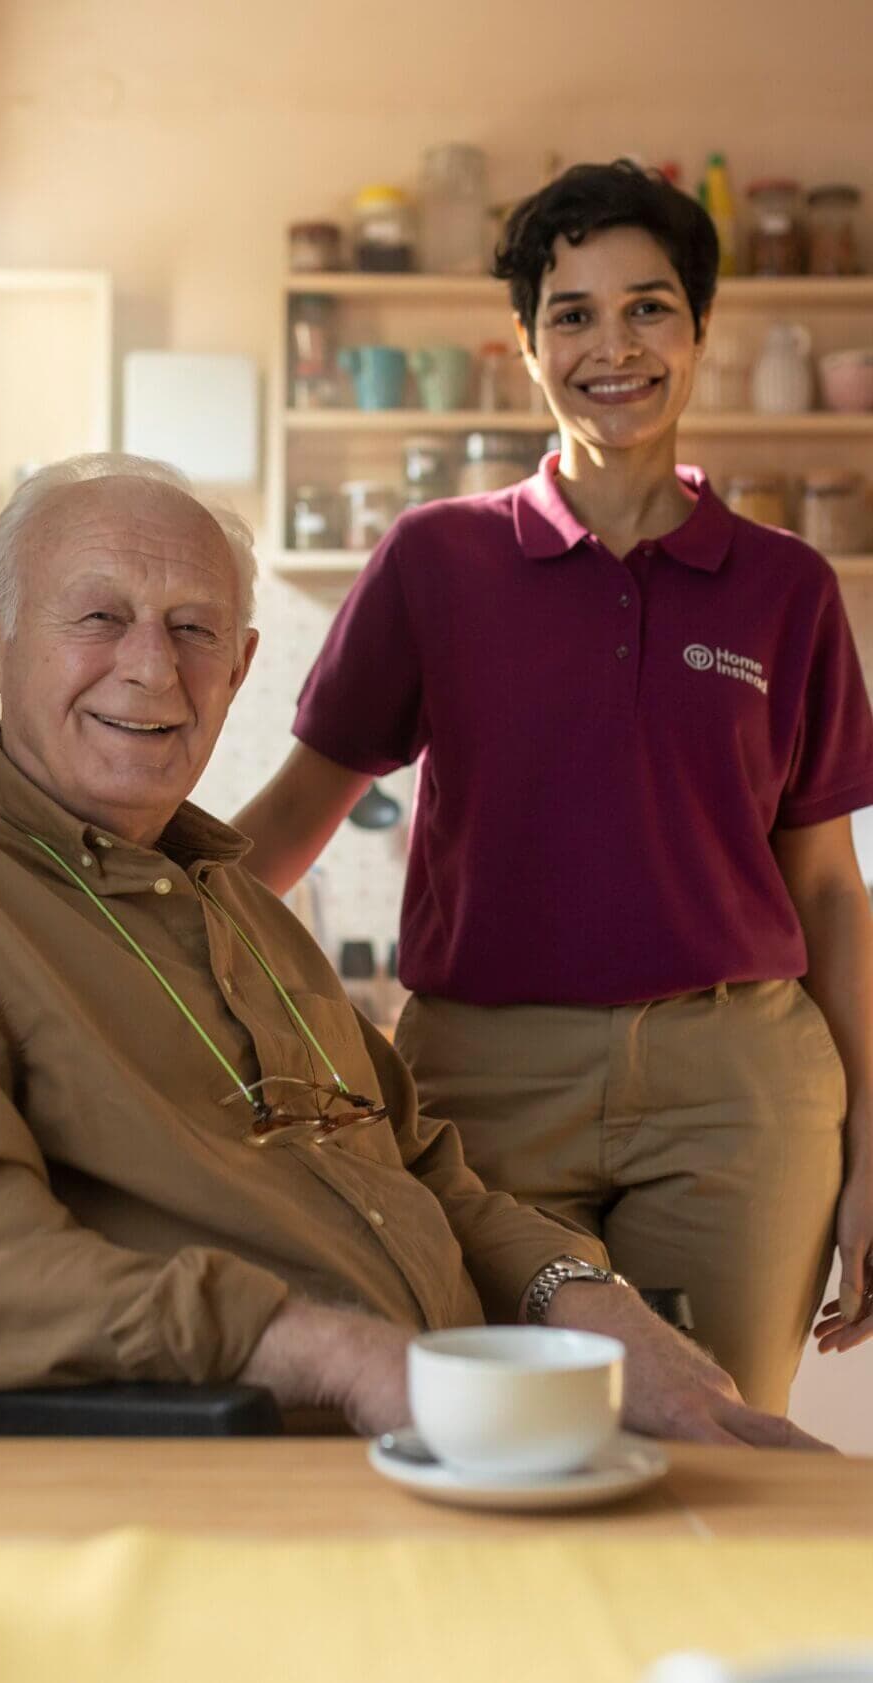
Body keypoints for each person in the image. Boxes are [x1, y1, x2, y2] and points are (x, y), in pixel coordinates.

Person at [0, 451, 824, 1449]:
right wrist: (338, 1357)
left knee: (781, 1511)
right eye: (100, 617)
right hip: (268, 1474)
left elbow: (426, 1173)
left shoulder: (245, 906)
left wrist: (585, 1296)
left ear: (237, 669)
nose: (154, 667)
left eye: (193, 630)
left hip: (465, 1438)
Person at [235, 162, 873, 1414]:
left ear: (697, 331)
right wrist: (108, 926)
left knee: (720, 1445)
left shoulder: (786, 587)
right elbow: (290, 824)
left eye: (646, 308)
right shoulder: (434, 560)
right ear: (525, 346)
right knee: (500, 1432)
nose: (611, 345)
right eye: (571, 314)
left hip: (738, 1088)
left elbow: (828, 893)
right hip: (482, 1090)